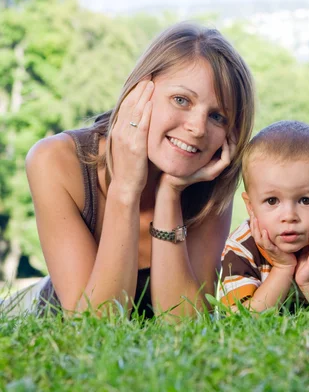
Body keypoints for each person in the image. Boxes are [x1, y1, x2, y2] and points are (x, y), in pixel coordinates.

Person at [2, 22, 255, 318]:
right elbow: (95, 323)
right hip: (33, 311)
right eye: (181, 100)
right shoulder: (54, 159)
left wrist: (170, 194)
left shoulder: (212, 178)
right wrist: (125, 187)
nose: (198, 129)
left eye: (217, 117)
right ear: (140, 92)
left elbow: (185, 324)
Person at [219, 121, 309, 312]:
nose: (289, 216)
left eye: (305, 200)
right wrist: (283, 268)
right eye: (272, 201)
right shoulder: (241, 245)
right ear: (251, 207)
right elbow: (239, 319)